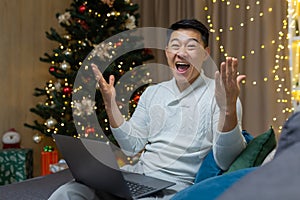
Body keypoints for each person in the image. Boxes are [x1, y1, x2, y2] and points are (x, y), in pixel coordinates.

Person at [49, 19, 246, 200]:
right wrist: (110, 106)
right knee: (68, 192)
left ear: (205, 53)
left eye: (191, 46)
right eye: (175, 46)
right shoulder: (153, 92)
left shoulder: (221, 94)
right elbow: (131, 145)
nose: (182, 52)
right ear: (167, 51)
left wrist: (227, 108)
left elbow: (225, 160)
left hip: (175, 188)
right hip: (138, 175)